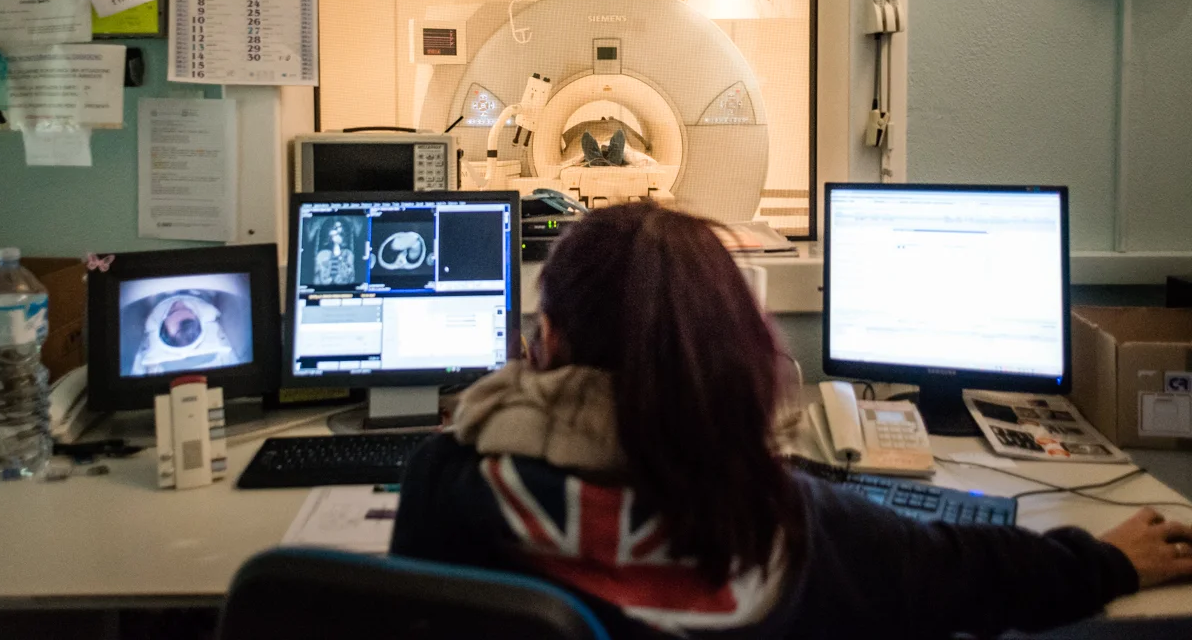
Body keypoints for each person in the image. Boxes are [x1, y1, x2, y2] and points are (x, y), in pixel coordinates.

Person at [391, 202, 1192, 639]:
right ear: (731, 350)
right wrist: (1106, 561)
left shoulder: (443, 487)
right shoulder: (793, 524)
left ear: (549, 339)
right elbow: (970, 571)